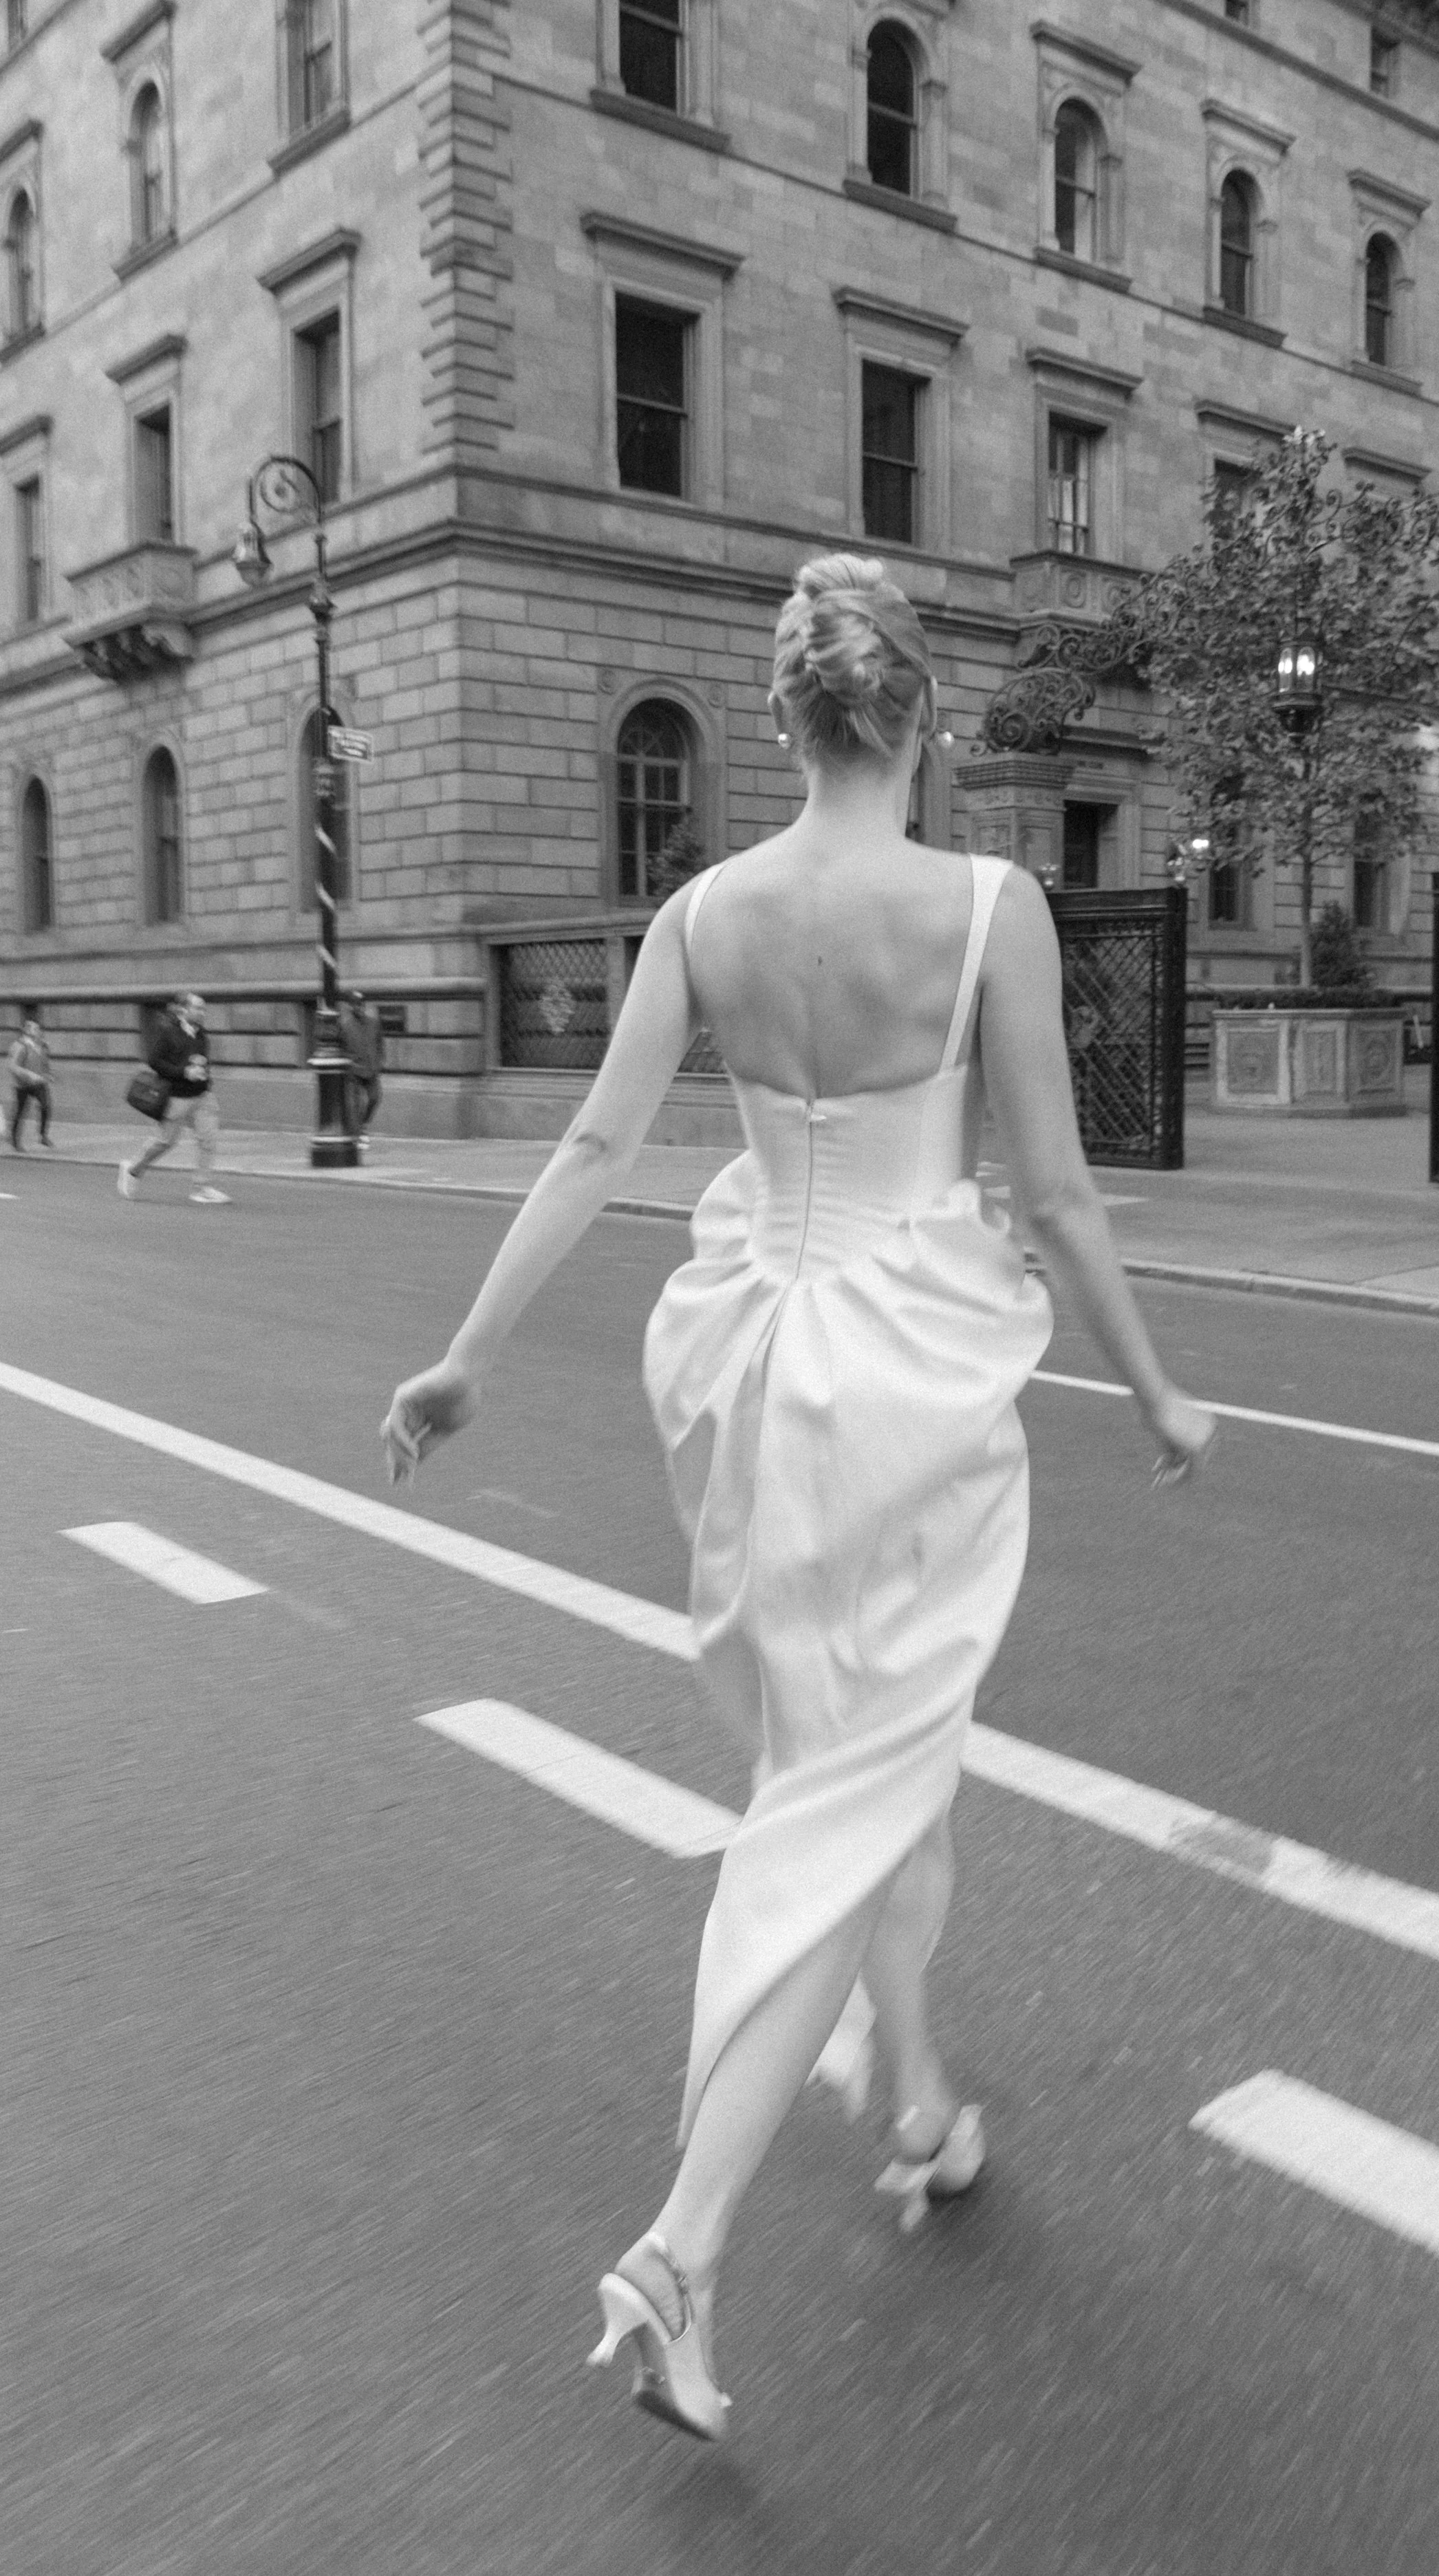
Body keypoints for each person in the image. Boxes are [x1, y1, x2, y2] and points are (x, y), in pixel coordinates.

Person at [382, 554, 1213, 2444]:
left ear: (784, 720)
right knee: (850, 1792)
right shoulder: (990, 904)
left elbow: (598, 1145)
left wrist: (466, 1355)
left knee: (847, 1763)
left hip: (752, 1364)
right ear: (918, 717)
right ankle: (677, 2247)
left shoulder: (703, 910)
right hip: (905, 1381)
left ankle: (915, 2098)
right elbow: (1060, 1195)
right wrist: (1156, 1390)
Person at [118, 991, 230, 1204]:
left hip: (202, 1096)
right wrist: (184, 1073)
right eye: (198, 1008)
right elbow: (155, 1062)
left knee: (208, 1139)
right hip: (177, 1098)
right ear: (183, 1011)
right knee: (165, 1142)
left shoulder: (202, 1035)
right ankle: (133, 1170)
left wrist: (203, 1076)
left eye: (204, 1009)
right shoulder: (168, 1033)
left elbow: (201, 1061)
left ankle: (202, 1188)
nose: (202, 1013)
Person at [341, 988, 383, 1149]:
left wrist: (379, 1062)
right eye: (356, 1005)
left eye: (361, 1005)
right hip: (354, 1071)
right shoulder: (344, 1025)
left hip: (371, 1069)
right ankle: (358, 1135)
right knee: (355, 1104)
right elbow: (340, 1047)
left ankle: (363, 1126)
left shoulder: (374, 1023)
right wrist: (349, 1063)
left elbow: (379, 1043)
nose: (359, 1008)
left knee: (375, 1098)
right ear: (350, 1006)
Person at [8, 1015, 51, 1149]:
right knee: (21, 1112)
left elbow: (44, 1063)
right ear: (26, 1030)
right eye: (33, 1028)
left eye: (38, 1029)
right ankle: (14, 1140)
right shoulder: (19, 1046)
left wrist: (48, 1074)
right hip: (23, 1085)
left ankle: (43, 1135)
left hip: (39, 1083)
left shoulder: (42, 1045)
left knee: (46, 1105)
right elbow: (13, 1066)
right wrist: (29, 1075)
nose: (37, 1031)